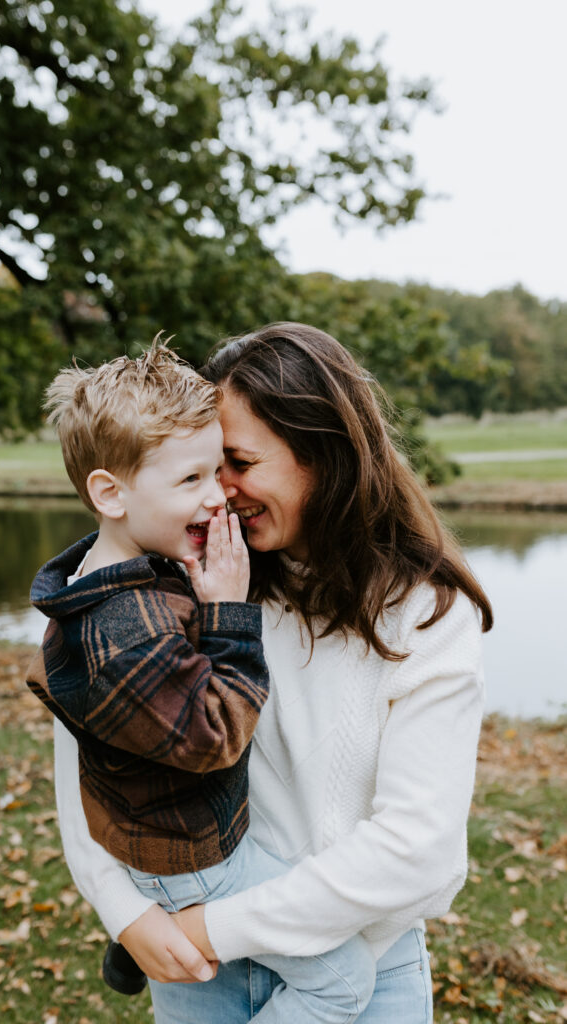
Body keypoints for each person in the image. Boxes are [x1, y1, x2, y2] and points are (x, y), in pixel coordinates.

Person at [53, 323, 492, 1023]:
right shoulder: (187, 577)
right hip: (197, 978)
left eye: (236, 462)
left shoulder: (424, 612)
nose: (217, 493)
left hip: (363, 977)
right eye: (199, 468)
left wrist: (206, 929)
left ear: (324, 454)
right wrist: (124, 910)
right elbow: (91, 755)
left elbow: (419, 848)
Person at [27, 340, 377, 1023]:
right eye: (191, 480)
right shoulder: (124, 629)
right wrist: (227, 615)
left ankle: (138, 937)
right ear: (109, 493)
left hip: (168, 838)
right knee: (343, 981)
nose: (218, 496)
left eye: (219, 471)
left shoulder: (118, 573)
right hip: (195, 858)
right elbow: (215, 736)